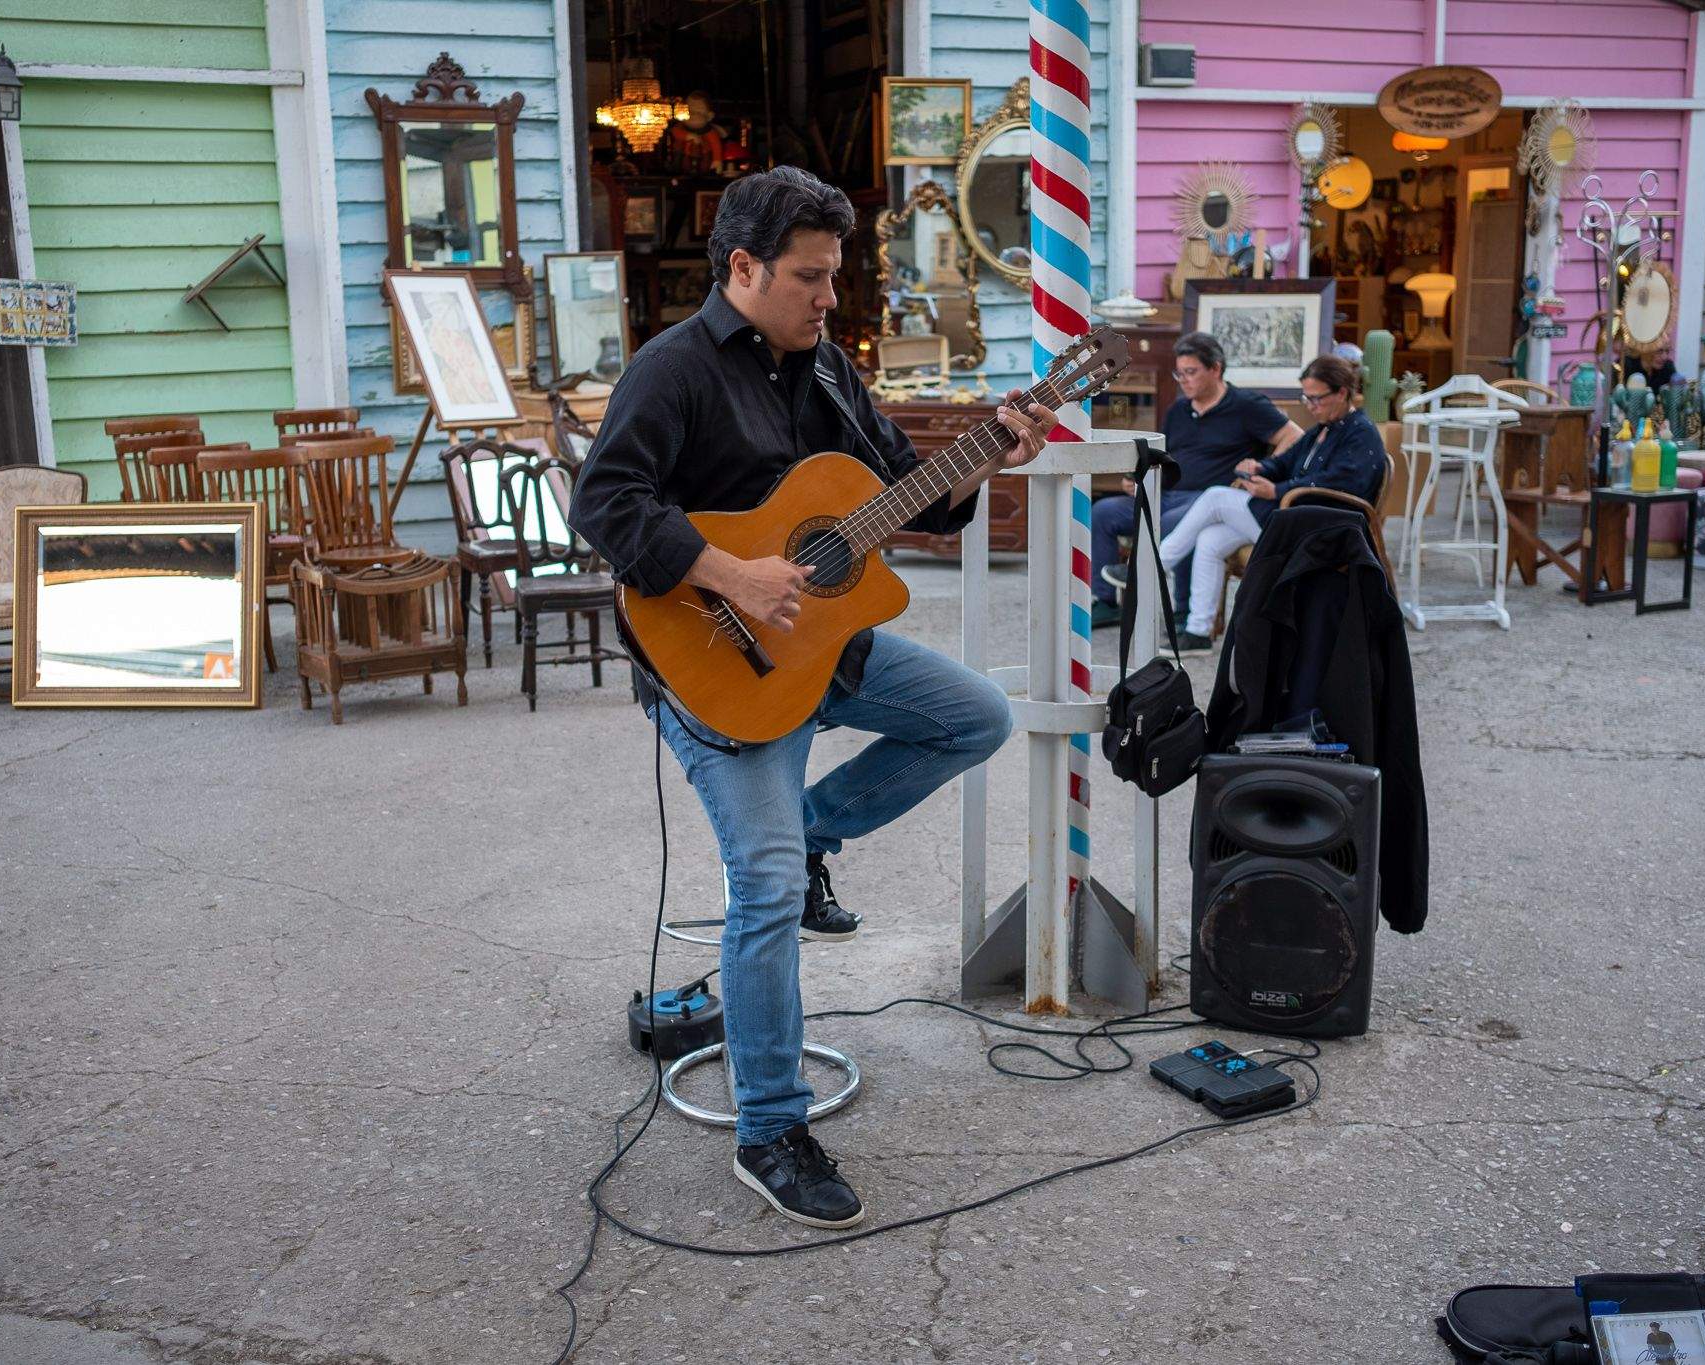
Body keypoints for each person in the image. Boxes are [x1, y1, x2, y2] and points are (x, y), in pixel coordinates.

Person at [568, 167, 1055, 1231]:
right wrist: (729, 573)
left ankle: (813, 834)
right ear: (743, 268)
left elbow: (905, 490)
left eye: (835, 276)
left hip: (824, 651)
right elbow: (602, 503)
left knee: (975, 716)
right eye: (809, 277)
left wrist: (988, 457)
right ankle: (770, 1130)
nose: (830, 297)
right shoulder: (672, 369)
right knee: (763, 888)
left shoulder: (829, 367)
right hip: (715, 665)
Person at [1155, 354, 1387, 651]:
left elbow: (1341, 483)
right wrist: (1260, 468)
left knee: (1215, 497)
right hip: (1298, 516)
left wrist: (1276, 491)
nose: (1311, 406)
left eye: (1316, 398)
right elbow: (1286, 461)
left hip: (1324, 528)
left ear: (1342, 393)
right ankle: (1198, 632)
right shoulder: (1324, 428)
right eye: (1307, 398)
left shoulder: (1360, 433)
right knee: (1210, 539)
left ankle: (1154, 565)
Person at [1088, 332, 1298, 627]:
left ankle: (1183, 610)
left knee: (1175, 523)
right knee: (1103, 512)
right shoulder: (1179, 410)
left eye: (1191, 372)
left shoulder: (1247, 405)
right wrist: (1137, 478)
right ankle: (1106, 601)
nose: (1183, 380)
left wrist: (1264, 467)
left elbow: (1294, 436)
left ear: (1215, 369)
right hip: (1166, 493)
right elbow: (1164, 455)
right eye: (1179, 373)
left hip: (1209, 500)